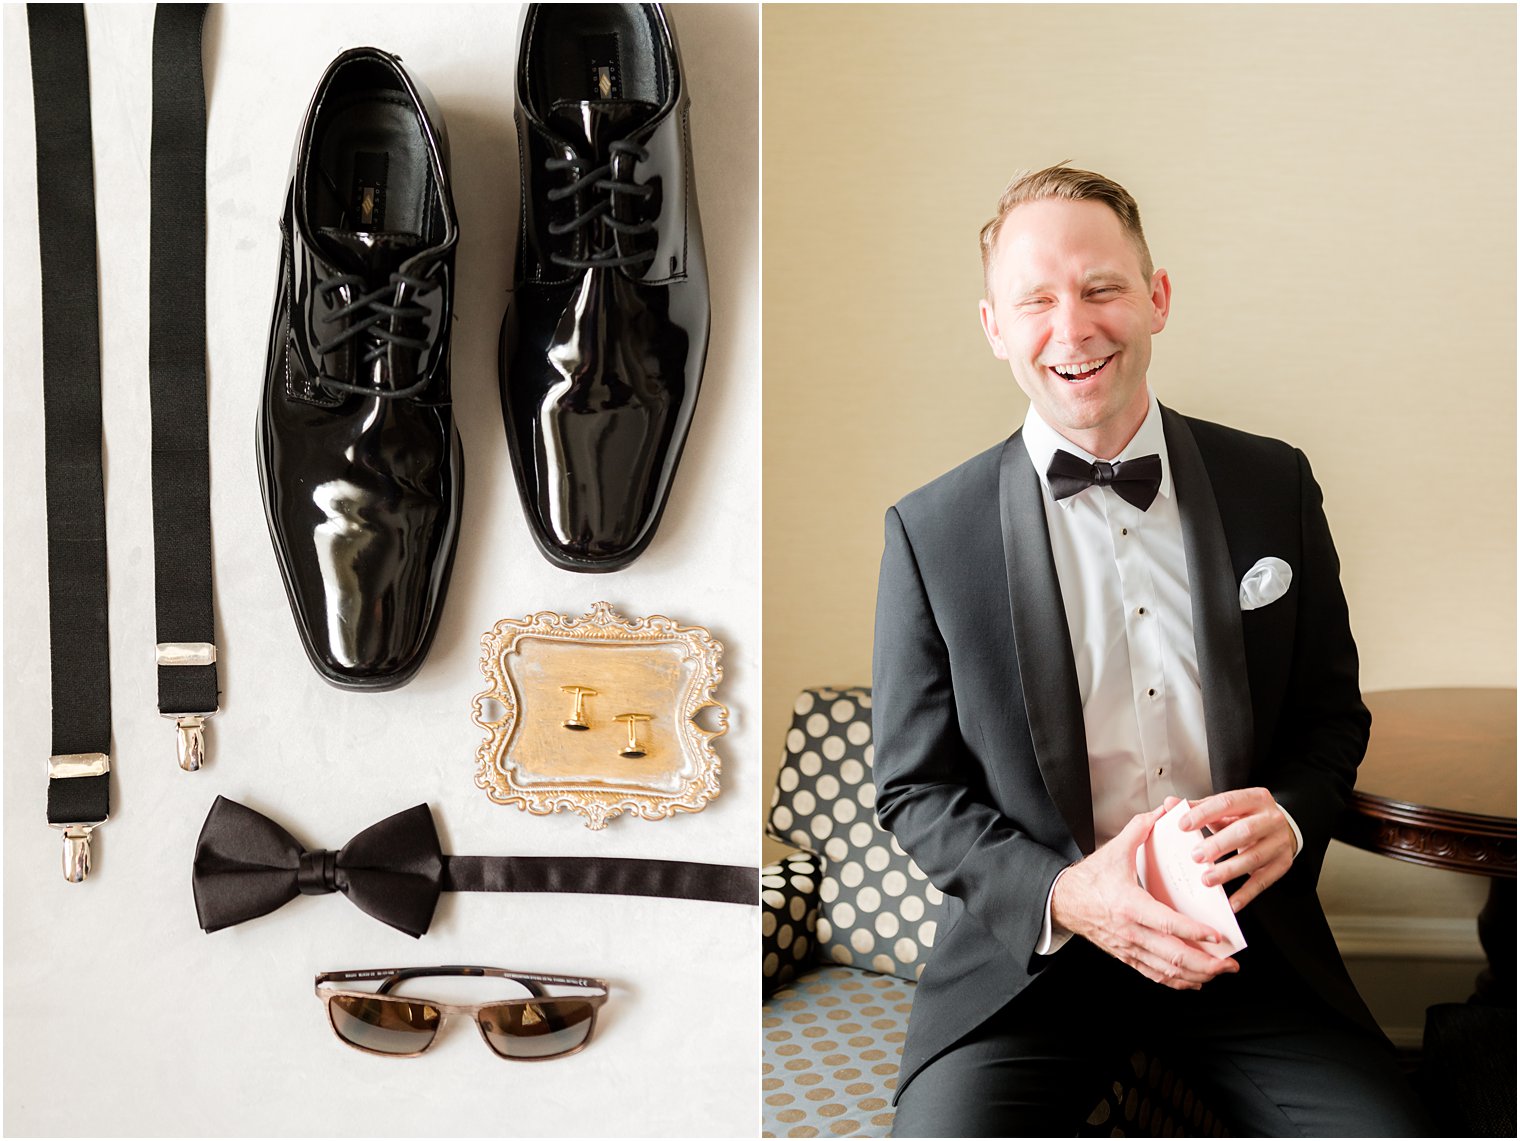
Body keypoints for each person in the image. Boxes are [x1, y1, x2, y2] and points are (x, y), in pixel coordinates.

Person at [871, 165, 1428, 1136]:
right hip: (1029, 971)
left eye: (1099, 288)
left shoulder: (1273, 482)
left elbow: (1329, 719)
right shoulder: (929, 531)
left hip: (1252, 953)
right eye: (1034, 300)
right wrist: (1063, 893)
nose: (1072, 329)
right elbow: (912, 789)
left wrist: (1292, 821)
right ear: (994, 327)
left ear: (1155, 296)